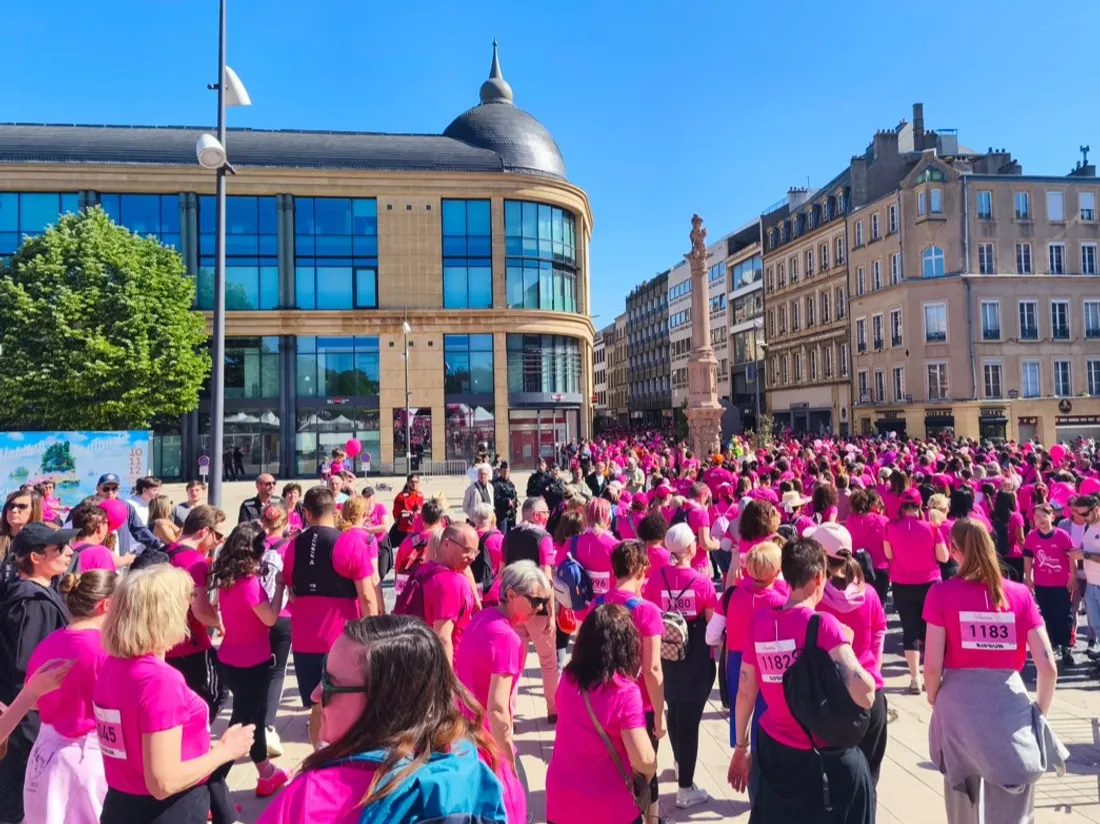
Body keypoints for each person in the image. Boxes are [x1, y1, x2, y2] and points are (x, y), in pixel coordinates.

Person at [256, 616, 506, 824]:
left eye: (330, 683)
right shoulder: (487, 766)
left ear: (384, 701)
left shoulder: (310, 798)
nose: (316, 694)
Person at [727, 537, 877, 824]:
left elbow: (745, 692)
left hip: (774, 749)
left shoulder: (759, 623)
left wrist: (741, 748)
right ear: (819, 576)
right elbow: (866, 693)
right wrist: (848, 644)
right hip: (821, 757)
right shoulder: (823, 624)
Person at [925, 518, 1065, 824]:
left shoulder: (940, 594)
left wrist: (936, 699)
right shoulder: (1018, 594)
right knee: (1013, 806)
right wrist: (1038, 712)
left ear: (955, 550)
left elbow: (932, 665)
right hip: (1006, 704)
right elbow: (1048, 666)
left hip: (957, 704)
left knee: (961, 802)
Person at [95, 565, 254, 824]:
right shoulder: (159, 680)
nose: (188, 613)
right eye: (184, 605)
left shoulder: (111, 666)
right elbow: (163, 782)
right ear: (165, 615)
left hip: (120, 804)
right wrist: (225, 751)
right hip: (167, 811)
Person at [456, 561, 552, 824]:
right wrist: (508, 761)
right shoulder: (507, 637)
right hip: (489, 742)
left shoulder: (481, 618)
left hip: (465, 733)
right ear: (511, 595)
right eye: (535, 600)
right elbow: (498, 709)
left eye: (544, 601)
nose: (541, 607)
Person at [545, 604, 657, 824]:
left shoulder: (568, 679)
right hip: (610, 808)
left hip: (562, 800)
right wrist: (651, 769)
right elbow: (643, 758)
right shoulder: (624, 692)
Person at [285, 486, 378, 749]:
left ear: (306, 513)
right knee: (355, 703)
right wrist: (372, 635)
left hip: (304, 638)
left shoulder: (294, 546)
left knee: (317, 706)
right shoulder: (349, 542)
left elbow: (292, 590)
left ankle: (318, 759)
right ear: (335, 509)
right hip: (342, 638)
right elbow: (367, 595)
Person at [23, 569, 116, 823]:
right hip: (89, 757)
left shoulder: (47, 643)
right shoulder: (106, 651)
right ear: (106, 604)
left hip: (44, 753)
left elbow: (32, 701)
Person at [0, 522, 77, 823]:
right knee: (18, 800)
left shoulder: (37, 593)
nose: (68, 551)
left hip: (25, 717)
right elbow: (26, 668)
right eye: (58, 548)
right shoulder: (33, 603)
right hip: (27, 723)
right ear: (35, 557)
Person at [208, 522, 289, 797]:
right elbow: (269, 618)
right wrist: (279, 589)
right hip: (251, 664)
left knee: (252, 719)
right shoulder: (249, 583)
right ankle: (212, 788)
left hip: (230, 658)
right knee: (241, 728)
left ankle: (266, 773)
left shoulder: (226, 579)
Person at [641, 522, 717, 809]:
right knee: (690, 721)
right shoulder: (702, 582)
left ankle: (678, 761)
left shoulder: (655, 578)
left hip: (665, 654)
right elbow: (711, 626)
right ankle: (686, 785)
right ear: (689, 548)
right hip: (695, 658)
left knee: (673, 711)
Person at [812, 522, 889, 784]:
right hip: (869, 689)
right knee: (869, 780)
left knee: (830, 781)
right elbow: (880, 629)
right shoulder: (868, 593)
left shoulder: (815, 599)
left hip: (830, 696)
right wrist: (874, 667)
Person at [596, 540, 665, 821]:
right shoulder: (647, 611)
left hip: (602, 700)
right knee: (646, 769)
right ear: (640, 569)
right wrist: (660, 715)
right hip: (640, 706)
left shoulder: (598, 603)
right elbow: (653, 668)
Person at [164, 505, 228, 720]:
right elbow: (200, 610)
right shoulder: (194, 561)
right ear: (204, 531)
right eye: (218, 535)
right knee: (214, 695)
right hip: (192, 645)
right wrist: (219, 622)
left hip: (165, 643)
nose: (219, 541)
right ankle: (195, 745)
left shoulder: (166, 552)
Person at [885, 487, 949, 694]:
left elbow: (889, 554)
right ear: (921, 505)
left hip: (902, 582)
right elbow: (944, 557)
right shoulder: (931, 528)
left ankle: (915, 678)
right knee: (932, 630)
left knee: (909, 630)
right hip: (929, 583)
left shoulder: (890, 527)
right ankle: (935, 675)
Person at [405, 522, 481, 664]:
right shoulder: (450, 582)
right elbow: (443, 638)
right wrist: (447, 682)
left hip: (416, 658)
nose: (472, 557)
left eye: (475, 552)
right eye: (467, 550)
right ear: (447, 544)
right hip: (443, 665)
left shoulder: (422, 570)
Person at [258, 502, 293, 758]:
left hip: (256, 612)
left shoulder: (252, 546)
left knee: (257, 668)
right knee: (277, 671)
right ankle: (268, 725)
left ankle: (254, 719)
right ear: (287, 522)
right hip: (282, 614)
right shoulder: (290, 547)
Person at [1023, 503, 1076, 667]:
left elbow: (1071, 558)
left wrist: (1073, 577)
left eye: (1043, 515)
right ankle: (1053, 643)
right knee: (1048, 615)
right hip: (1042, 583)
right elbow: (1028, 558)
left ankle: (1067, 646)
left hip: (1062, 583)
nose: (1040, 520)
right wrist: (1028, 578)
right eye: (1036, 517)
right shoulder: (1031, 537)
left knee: (1064, 614)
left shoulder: (1062, 535)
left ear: (1052, 516)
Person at [94, 474, 163, 557]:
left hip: (122, 559)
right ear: (97, 488)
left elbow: (139, 530)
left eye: (114, 488)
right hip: (97, 560)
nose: (110, 492)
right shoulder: (90, 507)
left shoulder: (126, 507)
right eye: (106, 489)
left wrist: (159, 545)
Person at [846, 488, 890, 604]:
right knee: (879, 606)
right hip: (879, 568)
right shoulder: (883, 521)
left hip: (857, 567)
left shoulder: (850, 520)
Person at [69, 501, 134, 572]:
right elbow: (107, 582)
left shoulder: (67, 550)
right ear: (98, 528)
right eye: (107, 522)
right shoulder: (101, 554)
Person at [576, 497, 620, 601]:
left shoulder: (572, 542)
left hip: (578, 610)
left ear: (586, 518)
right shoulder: (617, 546)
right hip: (609, 609)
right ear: (609, 520)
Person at [0, 488, 43, 584]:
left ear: (34, 510)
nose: (14, 510)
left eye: (22, 506)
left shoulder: (42, 543)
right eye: (11, 506)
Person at [991, 490, 1026, 582]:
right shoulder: (1016, 517)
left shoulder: (992, 516)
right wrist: (1028, 555)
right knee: (1017, 582)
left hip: (998, 554)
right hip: (1015, 555)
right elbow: (1020, 539)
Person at [391, 473, 424, 547]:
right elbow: (396, 518)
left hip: (417, 530)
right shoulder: (400, 497)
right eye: (412, 482)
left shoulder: (420, 495)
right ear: (408, 483)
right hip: (404, 531)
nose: (414, 484)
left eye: (416, 482)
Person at [493, 462, 520, 533]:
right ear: (500, 471)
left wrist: (516, 501)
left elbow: (515, 495)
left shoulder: (511, 484)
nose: (505, 473)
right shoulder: (496, 484)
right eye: (504, 471)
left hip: (511, 514)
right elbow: (495, 498)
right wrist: (506, 500)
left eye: (507, 471)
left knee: (510, 535)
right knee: (502, 535)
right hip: (501, 515)